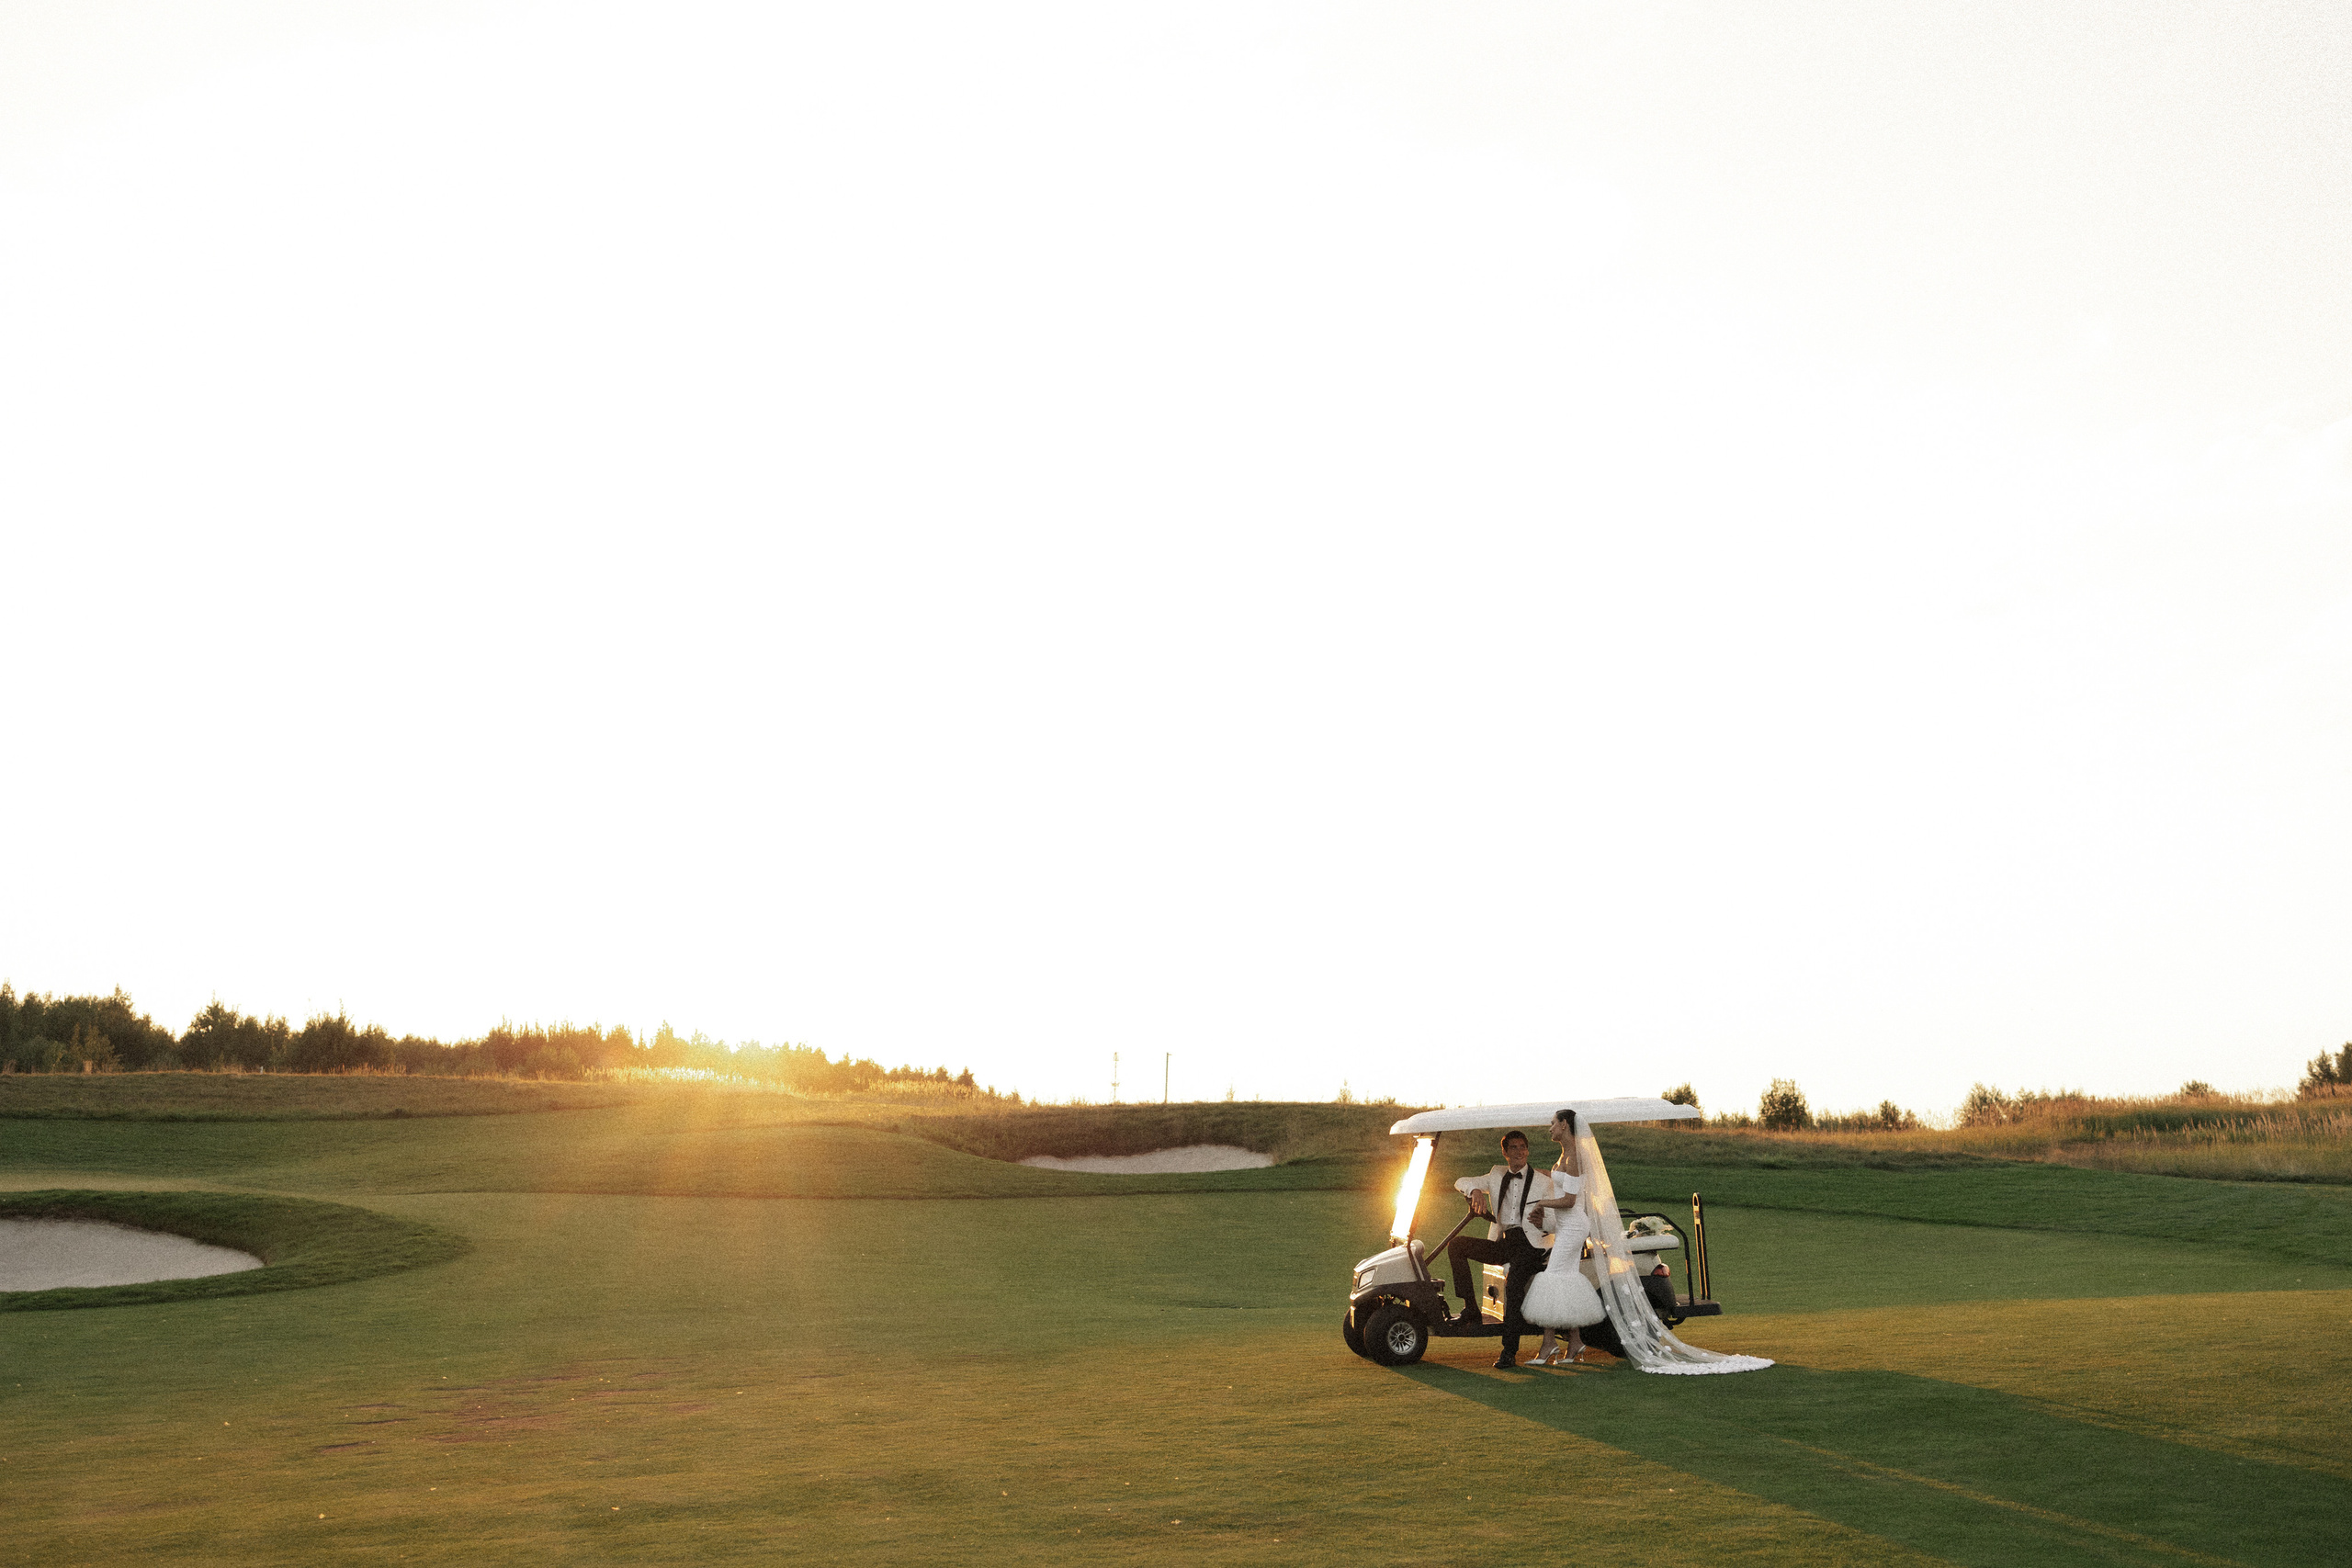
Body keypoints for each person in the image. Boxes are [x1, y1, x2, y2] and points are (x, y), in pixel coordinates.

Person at [1445, 1130, 1551, 1368]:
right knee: (1457, 1245)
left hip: (1532, 1245)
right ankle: (1470, 1308)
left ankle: (1509, 1352)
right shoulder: (1496, 1174)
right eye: (1513, 1148)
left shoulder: (1543, 1182)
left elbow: (1555, 1219)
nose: (1519, 1152)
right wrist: (1474, 1192)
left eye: (1523, 1147)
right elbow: (1461, 1181)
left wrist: (1544, 1220)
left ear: (1528, 1150)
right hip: (1505, 1242)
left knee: (1512, 1285)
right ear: (1504, 1152)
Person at [1521, 1110, 1605, 1363]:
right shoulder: (1564, 1156)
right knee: (1565, 1279)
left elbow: (1570, 1201)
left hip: (1574, 1227)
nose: (1550, 1128)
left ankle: (1548, 1345)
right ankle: (1576, 1342)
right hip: (1567, 1227)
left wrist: (1542, 1203)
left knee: (1552, 1277)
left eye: (1552, 1124)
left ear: (1564, 1124)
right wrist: (1545, 1220)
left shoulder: (1574, 1158)